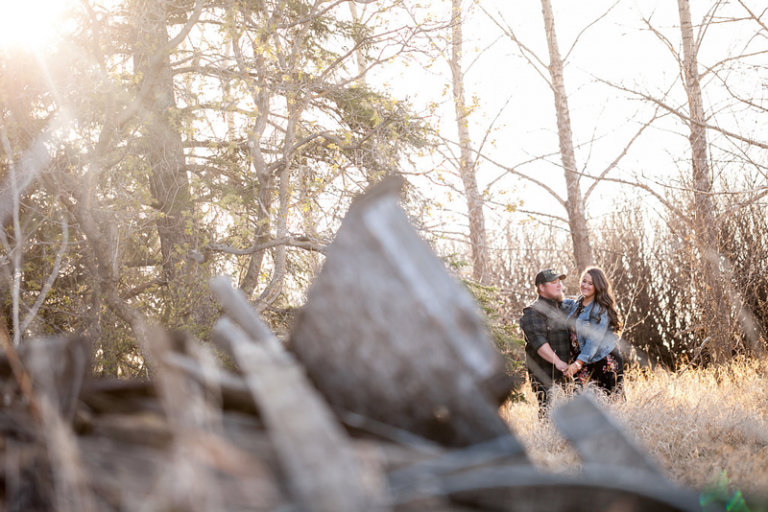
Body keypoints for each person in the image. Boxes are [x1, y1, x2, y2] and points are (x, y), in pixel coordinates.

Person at [519, 268, 576, 411]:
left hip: (570, 374)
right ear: (541, 287)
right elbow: (539, 343)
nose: (559, 285)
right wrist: (559, 363)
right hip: (546, 377)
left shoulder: (565, 308)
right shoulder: (533, 312)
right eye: (553, 282)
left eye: (559, 282)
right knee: (549, 415)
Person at [564, 266, 624, 396]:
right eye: (584, 281)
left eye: (590, 283)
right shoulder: (577, 304)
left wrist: (577, 364)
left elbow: (593, 340)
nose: (585, 285)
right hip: (583, 360)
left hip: (602, 359)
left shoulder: (600, 309)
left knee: (608, 403)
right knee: (580, 403)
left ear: (598, 286)